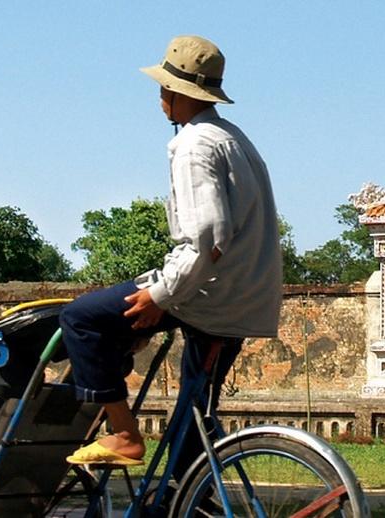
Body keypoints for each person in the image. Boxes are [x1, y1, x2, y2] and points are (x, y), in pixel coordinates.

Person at [60, 35, 282, 467]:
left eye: (163, 88)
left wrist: (159, 296)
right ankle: (189, 495)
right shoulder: (234, 139)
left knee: (81, 319)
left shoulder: (194, 146)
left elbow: (205, 238)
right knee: (193, 418)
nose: (160, 97)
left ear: (176, 92)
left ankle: (123, 433)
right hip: (242, 298)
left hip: (210, 297)